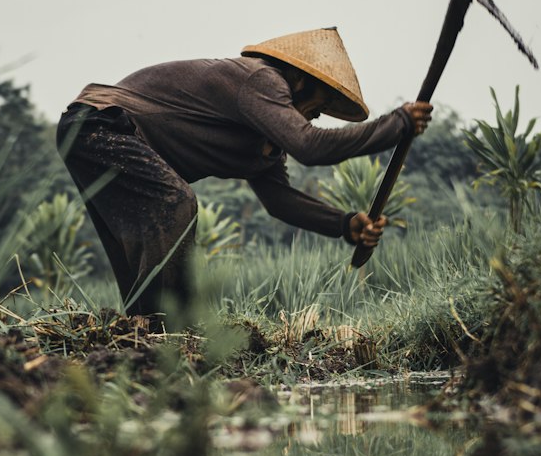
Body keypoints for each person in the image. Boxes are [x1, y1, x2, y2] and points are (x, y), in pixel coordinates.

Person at [56, 28, 433, 321]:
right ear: (298, 82)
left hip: (92, 132)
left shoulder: (262, 143)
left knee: (144, 244)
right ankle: (163, 335)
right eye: (313, 110)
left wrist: (345, 224)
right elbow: (311, 147)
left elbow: (279, 201)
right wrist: (396, 124)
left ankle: (146, 342)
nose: (304, 119)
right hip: (101, 123)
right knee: (175, 203)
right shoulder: (261, 79)